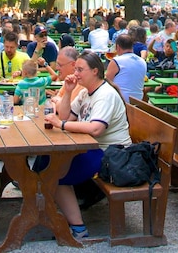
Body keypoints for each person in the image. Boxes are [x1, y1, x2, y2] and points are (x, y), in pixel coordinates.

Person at [44, 52, 131, 240]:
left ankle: (78, 228)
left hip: (111, 154)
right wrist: (67, 91)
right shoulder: (85, 92)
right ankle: (55, 212)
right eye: (75, 69)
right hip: (91, 147)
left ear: (95, 71)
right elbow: (67, 115)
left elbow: (96, 128)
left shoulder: (105, 94)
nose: (76, 73)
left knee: (57, 172)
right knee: (46, 160)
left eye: (80, 70)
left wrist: (62, 125)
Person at [105, 34, 147, 103]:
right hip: (138, 102)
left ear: (117, 47)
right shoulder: (142, 62)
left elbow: (107, 83)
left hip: (121, 102)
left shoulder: (116, 61)